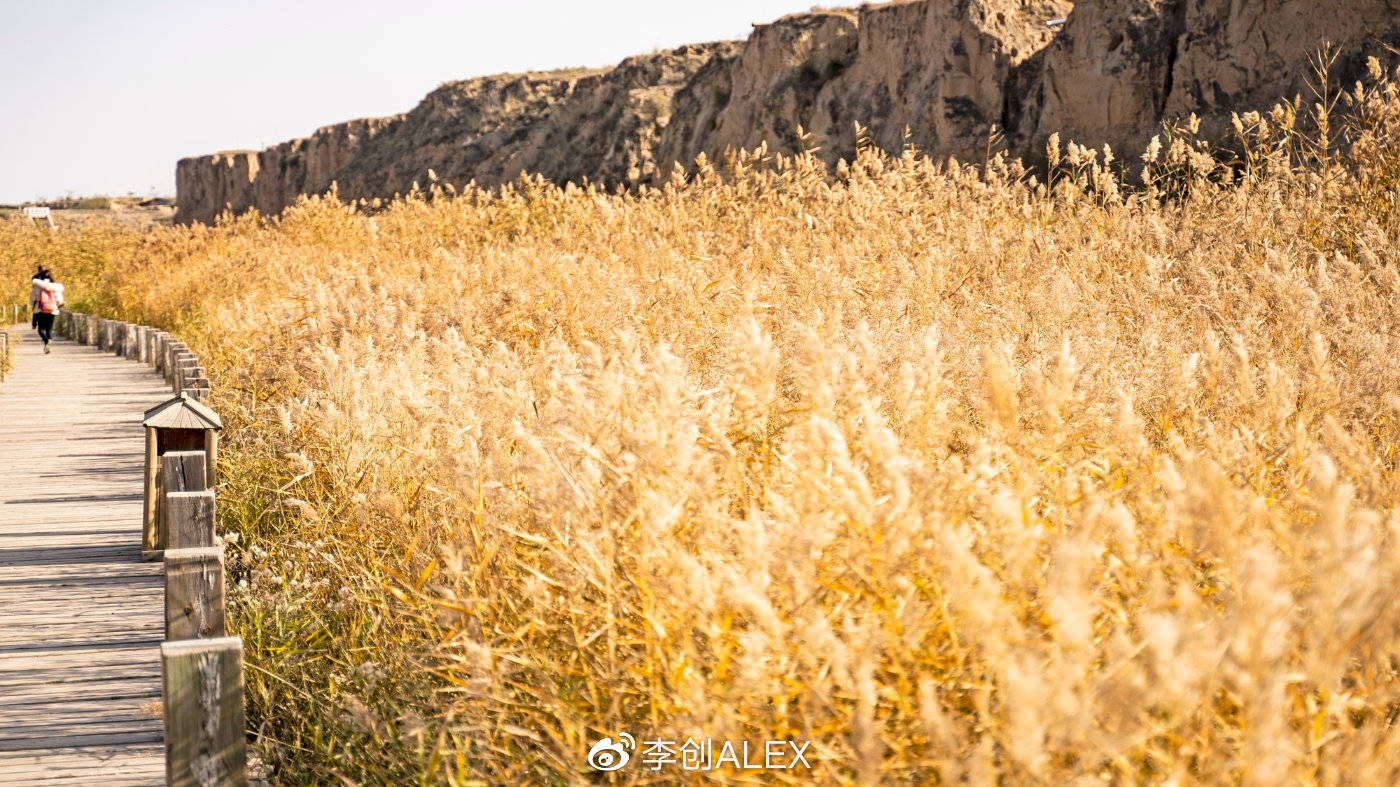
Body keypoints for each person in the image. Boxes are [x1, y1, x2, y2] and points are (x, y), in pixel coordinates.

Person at [31, 272, 64, 353]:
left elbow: (32, 299)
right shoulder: (56, 288)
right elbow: (60, 300)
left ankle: (46, 341)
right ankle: (49, 339)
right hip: (52, 311)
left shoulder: (37, 287)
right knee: (49, 328)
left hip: (40, 311)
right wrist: (56, 306)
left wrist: (34, 306)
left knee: (41, 329)